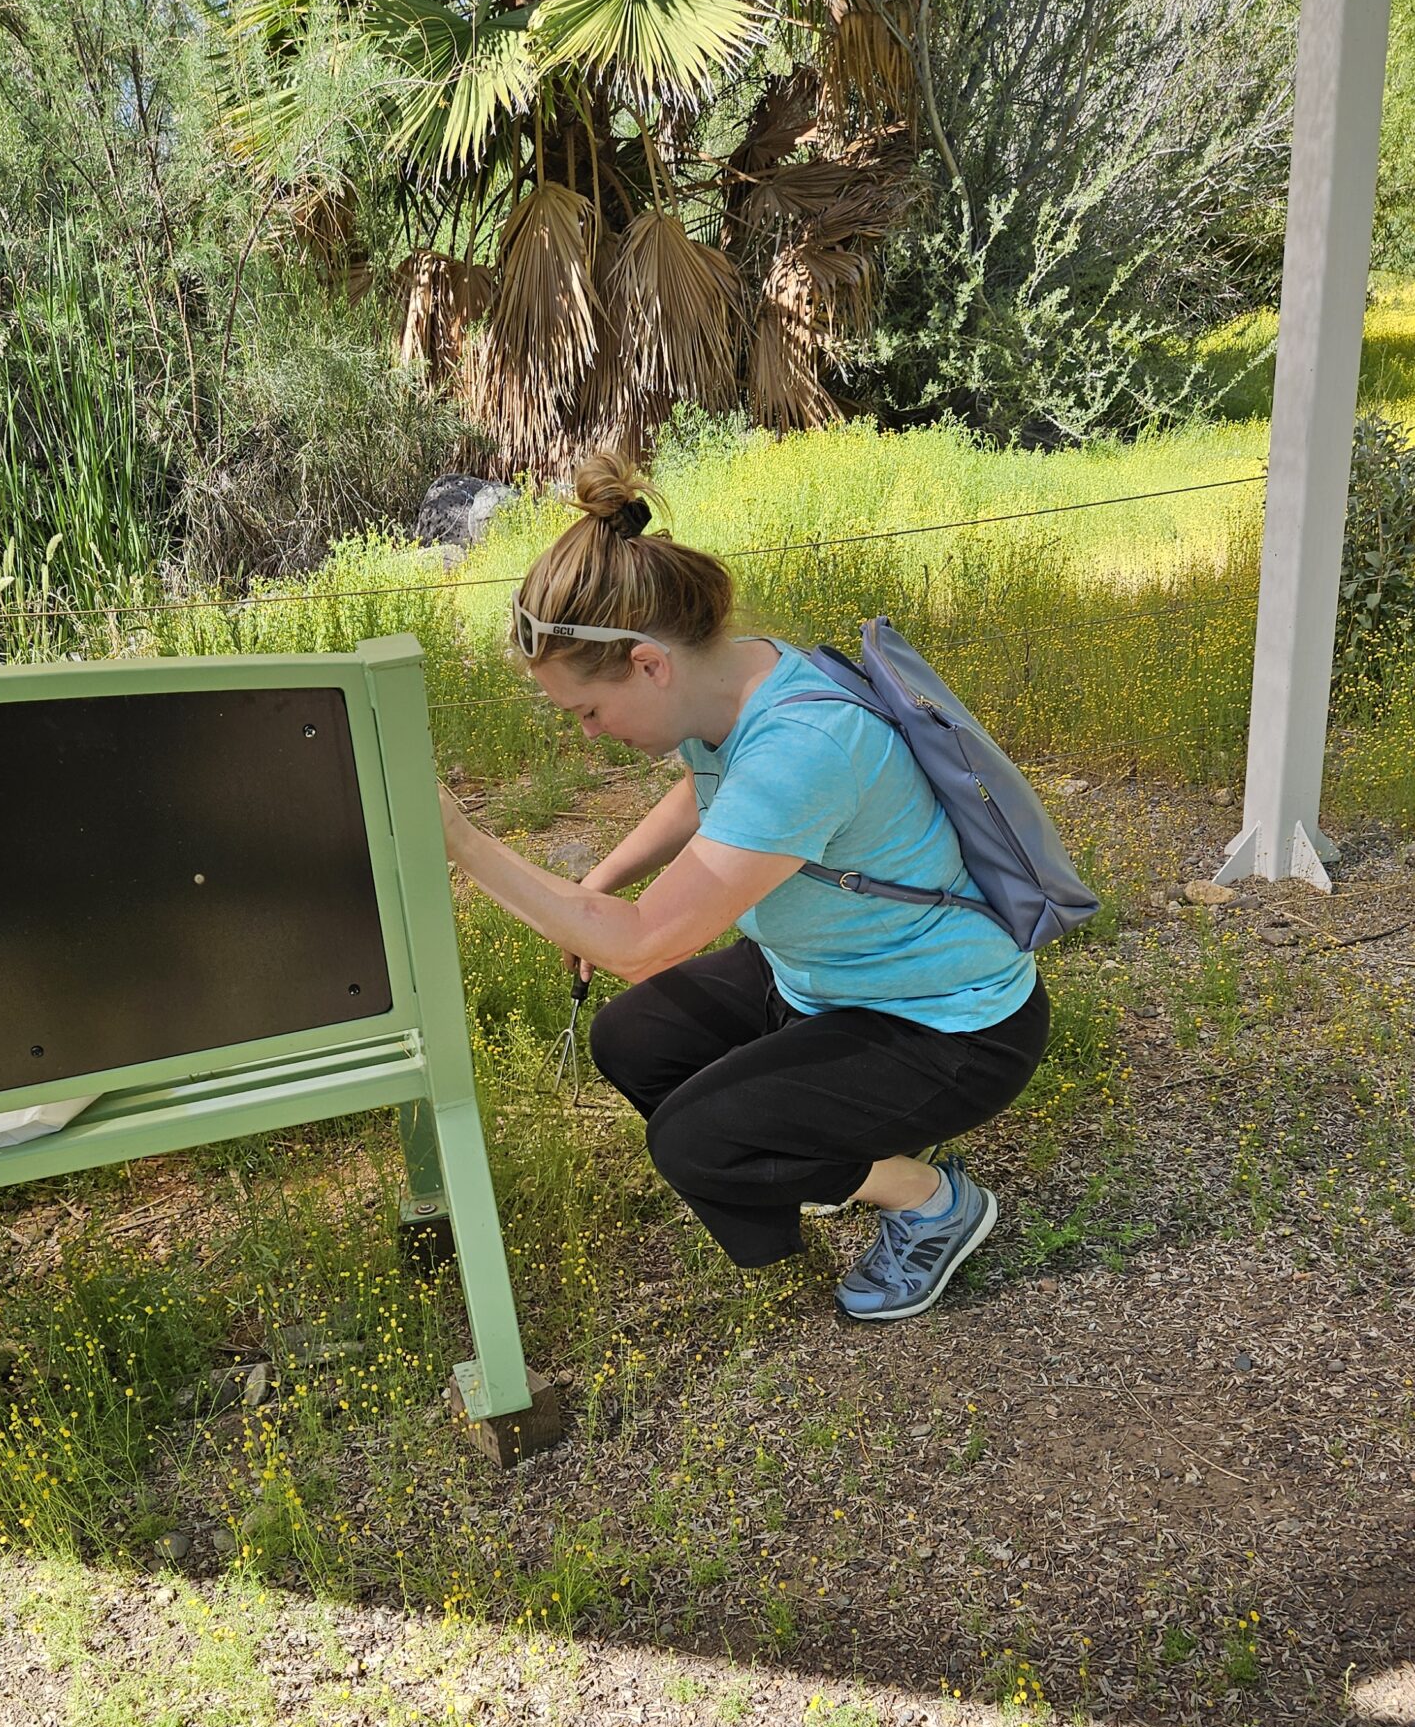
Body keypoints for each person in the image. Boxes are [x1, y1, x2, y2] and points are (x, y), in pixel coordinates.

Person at [436, 455, 1050, 1322]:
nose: (589, 735)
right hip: (826, 977)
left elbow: (645, 941)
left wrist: (461, 841)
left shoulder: (804, 747)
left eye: (586, 711)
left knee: (692, 1140)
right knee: (634, 1041)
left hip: (946, 1024)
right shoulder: (741, 677)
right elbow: (707, 790)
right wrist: (602, 875)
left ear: (649, 664)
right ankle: (821, 1148)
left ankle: (928, 1200)